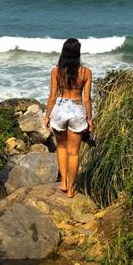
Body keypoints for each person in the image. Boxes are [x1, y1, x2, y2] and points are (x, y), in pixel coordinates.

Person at [44, 38, 93, 198]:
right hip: (78, 109)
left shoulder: (56, 71)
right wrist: (89, 119)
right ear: (78, 53)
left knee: (62, 147)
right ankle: (71, 190)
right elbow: (87, 99)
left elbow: (52, 96)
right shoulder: (86, 72)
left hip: (60, 108)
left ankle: (64, 182)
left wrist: (47, 115)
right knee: (74, 153)